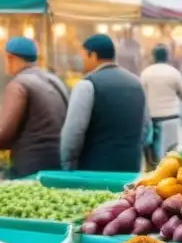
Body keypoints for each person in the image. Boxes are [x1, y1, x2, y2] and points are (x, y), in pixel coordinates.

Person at [0, 37, 69, 178]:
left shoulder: (19, 85)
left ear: (10, 58)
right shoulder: (55, 80)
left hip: (30, 168)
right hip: (58, 164)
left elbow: (3, 137)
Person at [60, 34, 149, 172]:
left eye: (83, 56)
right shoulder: (137, 83)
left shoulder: (87, 85)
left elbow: (73, 132)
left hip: (95, 171)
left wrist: (67, 163)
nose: (81, 61)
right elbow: (146, 128)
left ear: (93, 55)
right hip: (131, 167)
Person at [141, 44, 182, 166]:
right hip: (171, 119)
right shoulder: (174, 73)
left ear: (153, 57)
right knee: (171, 157)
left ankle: (150, 179)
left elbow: (141, 95)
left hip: (152, 119)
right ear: (167, 57)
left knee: (152, 159)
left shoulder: (146, 73)